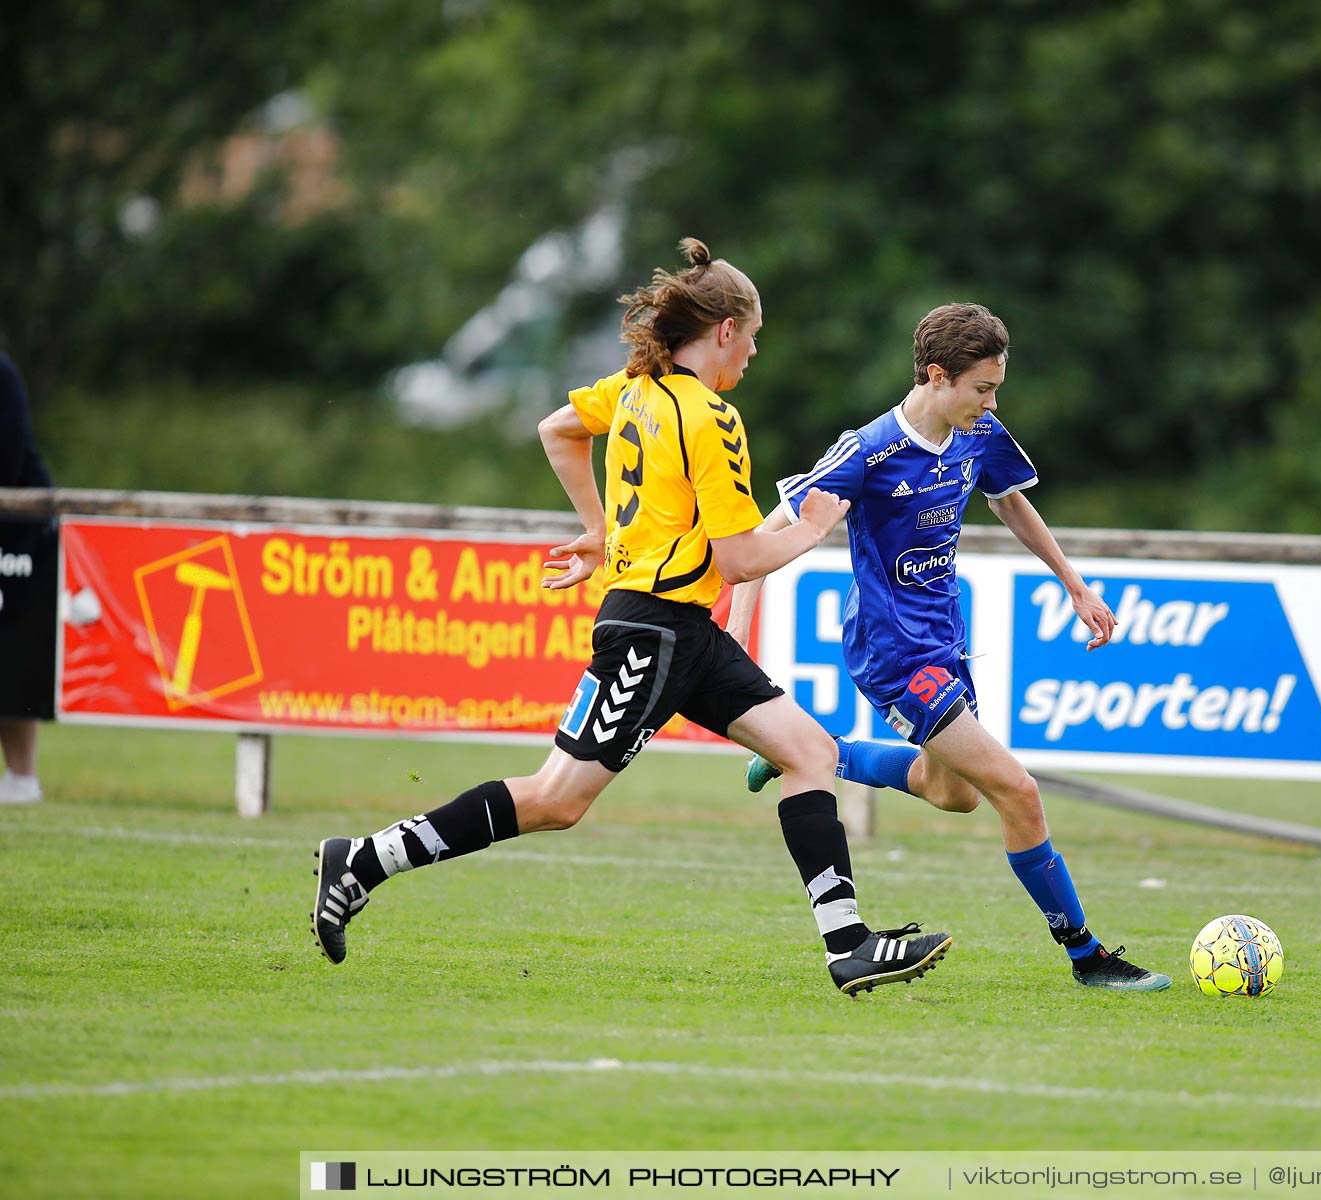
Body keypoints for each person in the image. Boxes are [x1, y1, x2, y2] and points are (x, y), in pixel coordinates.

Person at [312, 240, 951, 995]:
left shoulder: (636, 388)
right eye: (752, 335)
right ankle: (363, 860)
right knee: (555, 801)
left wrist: (605, 532)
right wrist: (812, 529)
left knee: (807, 752)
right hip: (652, 631)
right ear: (723, 331)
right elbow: (740, 560)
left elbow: (558, 431)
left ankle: (848, 945)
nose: (752, 351)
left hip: (683, 630)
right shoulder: (711, 417)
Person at [729, 303, 1171, 991]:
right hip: (892, 653)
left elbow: (1009, 500)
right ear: (938, 376)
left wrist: (1074, 584)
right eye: (983, 389)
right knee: (1016, 792)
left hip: (944, 641)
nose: (993, 403)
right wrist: (735, 635)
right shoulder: (869, 450)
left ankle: (812, 754)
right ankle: (1088, 957)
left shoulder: (977, 433)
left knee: (953, 794)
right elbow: (773, 524)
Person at [0, 352, 52, 806]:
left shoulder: (2, 374)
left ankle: (21, 777)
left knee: (12, 647)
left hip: (17, 534)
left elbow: (8, 461)